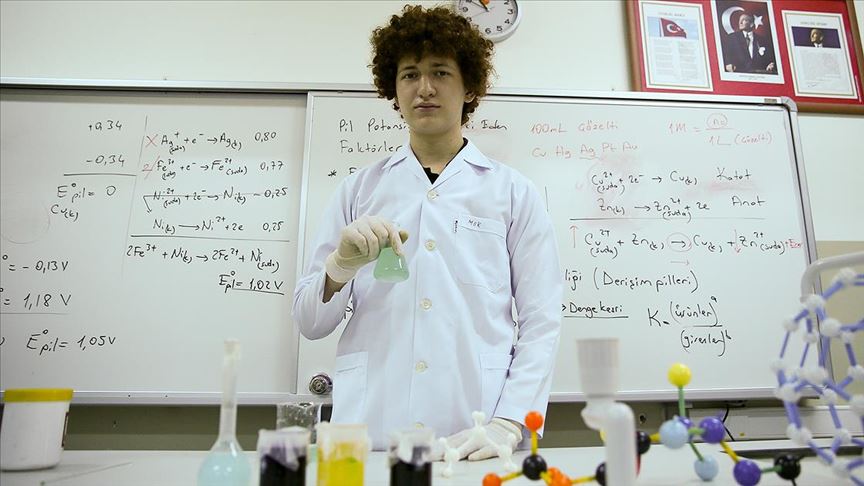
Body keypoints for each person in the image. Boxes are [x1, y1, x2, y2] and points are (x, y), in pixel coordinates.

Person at [292, 4, 562, 460]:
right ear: (393, 90)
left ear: (469, 86)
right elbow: (310, 322)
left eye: (440, 72)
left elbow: (541, 320)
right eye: (410, 75)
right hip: (372, 428)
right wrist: (339, 269)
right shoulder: (359, 190)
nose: (424, 88)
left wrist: (510, 420)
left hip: (475, 430)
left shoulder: (514, 193)